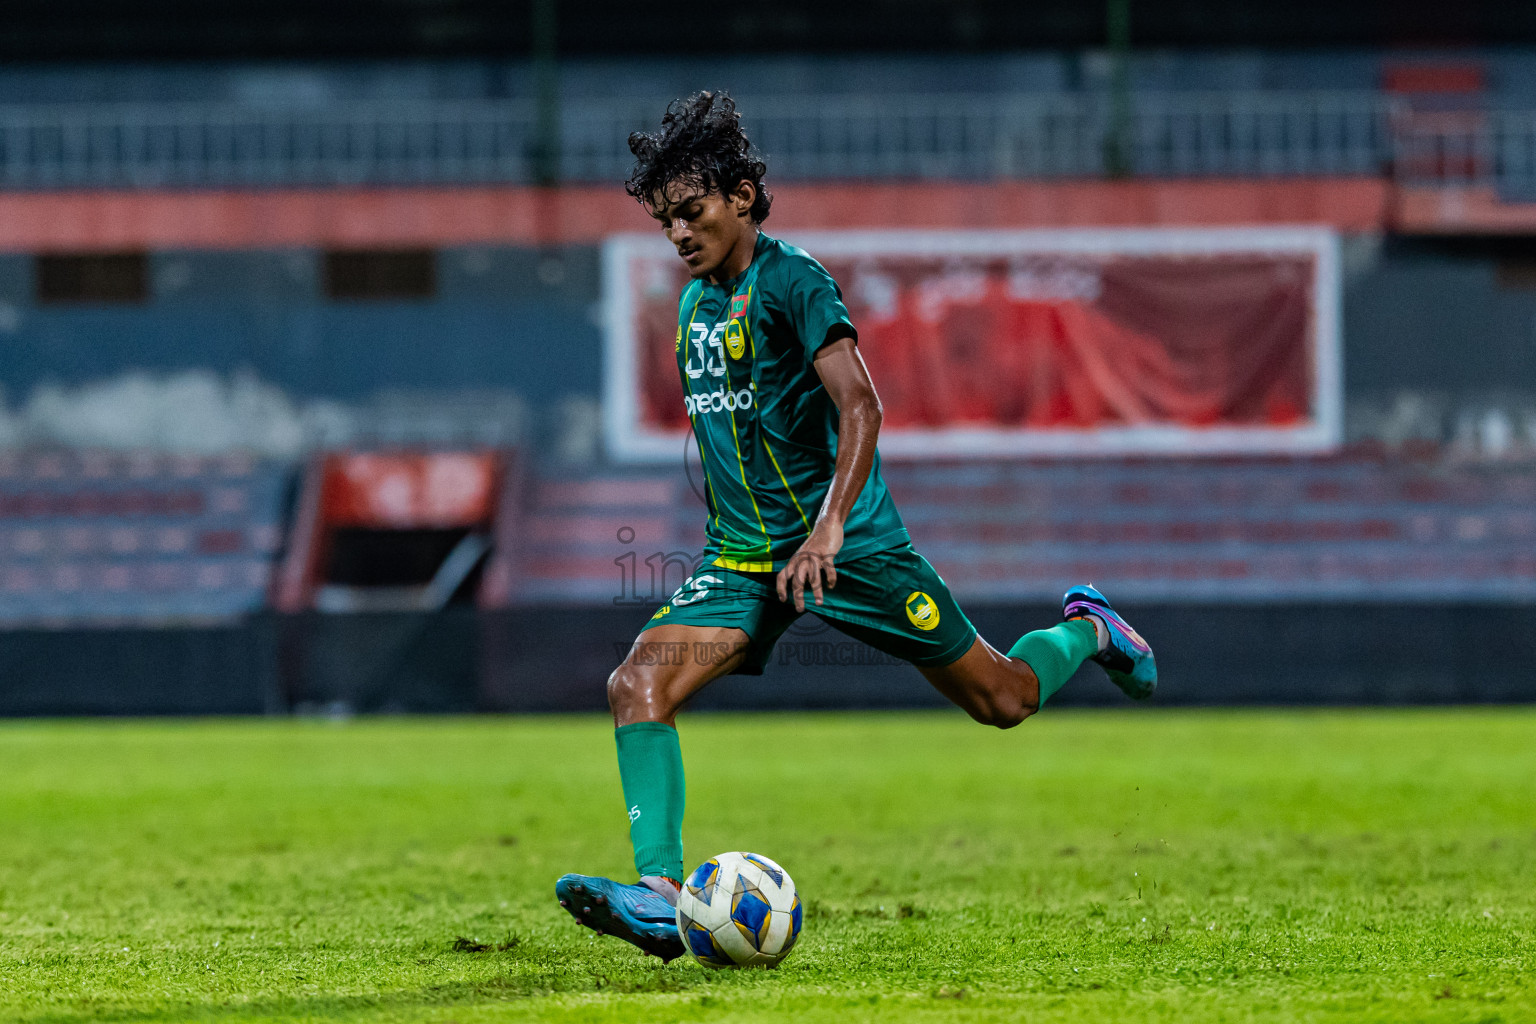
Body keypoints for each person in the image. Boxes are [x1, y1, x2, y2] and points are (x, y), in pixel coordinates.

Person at [556, 92, 1155, 961]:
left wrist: (830, 528)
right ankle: (659, 891)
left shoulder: (796, 282)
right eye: (665, 222)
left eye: (692, 212)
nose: (679, 234)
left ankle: (1087, 628)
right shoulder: (691, 313)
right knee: (635, 685)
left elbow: (861, 406)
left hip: (850, 549)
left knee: (1004, 700)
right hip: (745, 561)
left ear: (744, 197)